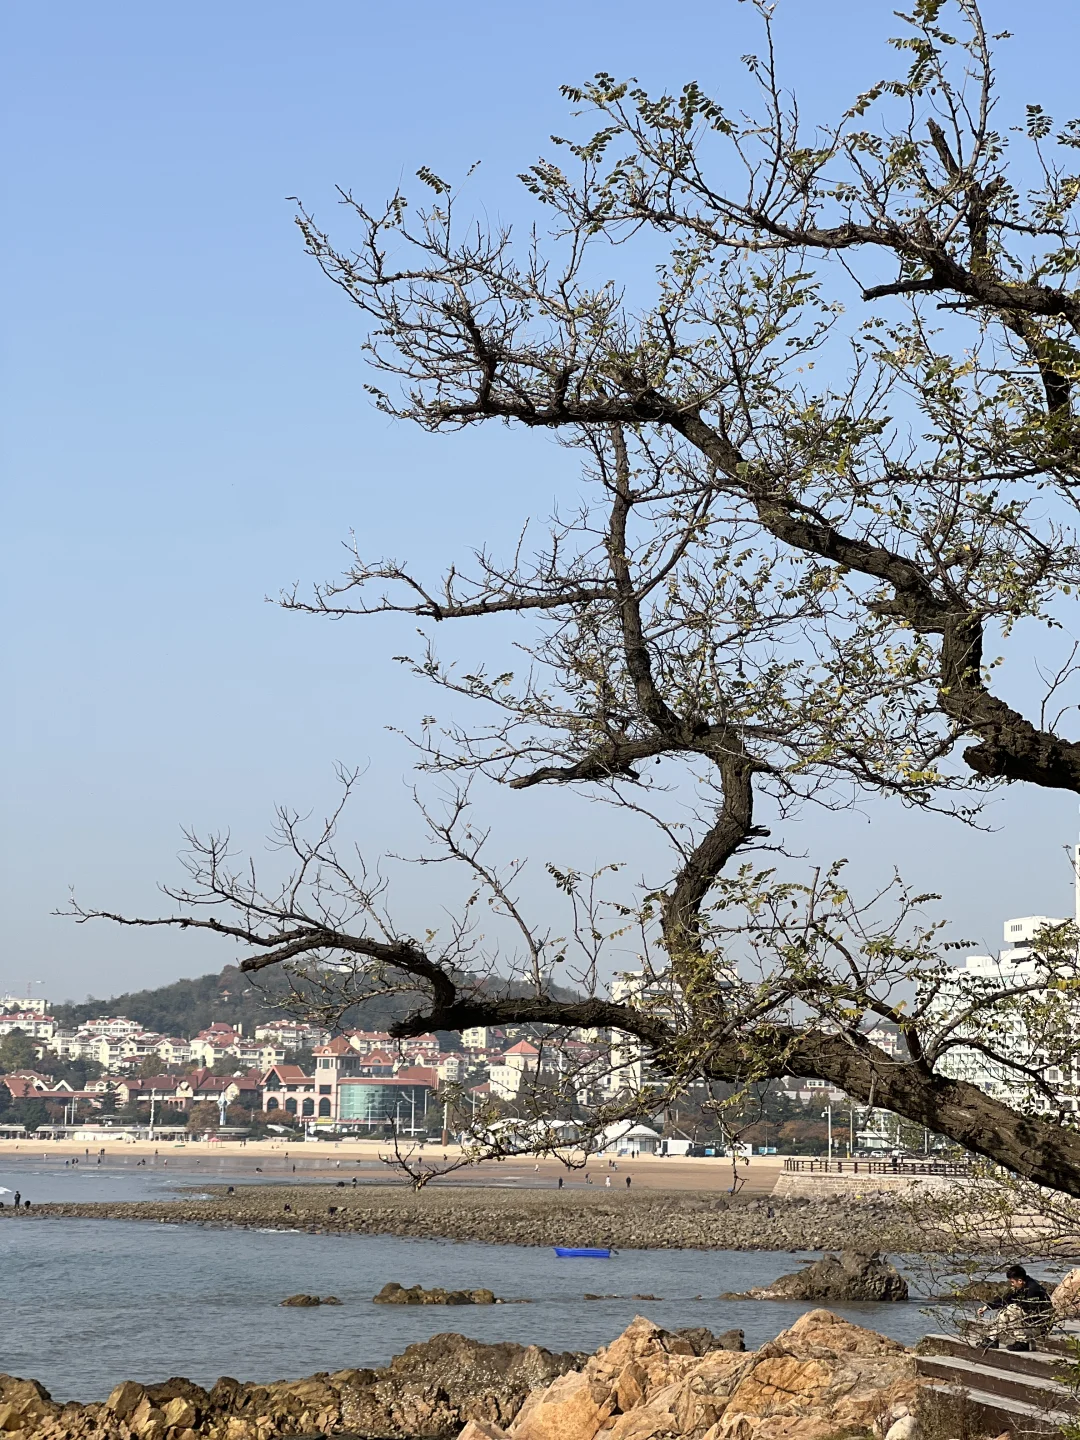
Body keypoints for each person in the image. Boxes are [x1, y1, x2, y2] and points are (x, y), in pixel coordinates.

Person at [977, 1265, 1053, 1350]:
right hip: (1028, 1324)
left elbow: (1032, 1312)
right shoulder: (1022, 1287)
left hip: (1039, 1326)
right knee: (1005, 1311)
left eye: (1012, 1282)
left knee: (1013, 1309)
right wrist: (987, 1306)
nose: (1012, 1284)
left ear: (1020, 1281)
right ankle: (992, 1339)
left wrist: (1017, 1306)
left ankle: (1022, 1342)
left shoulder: (1033, 1290)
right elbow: (1006, 1299)